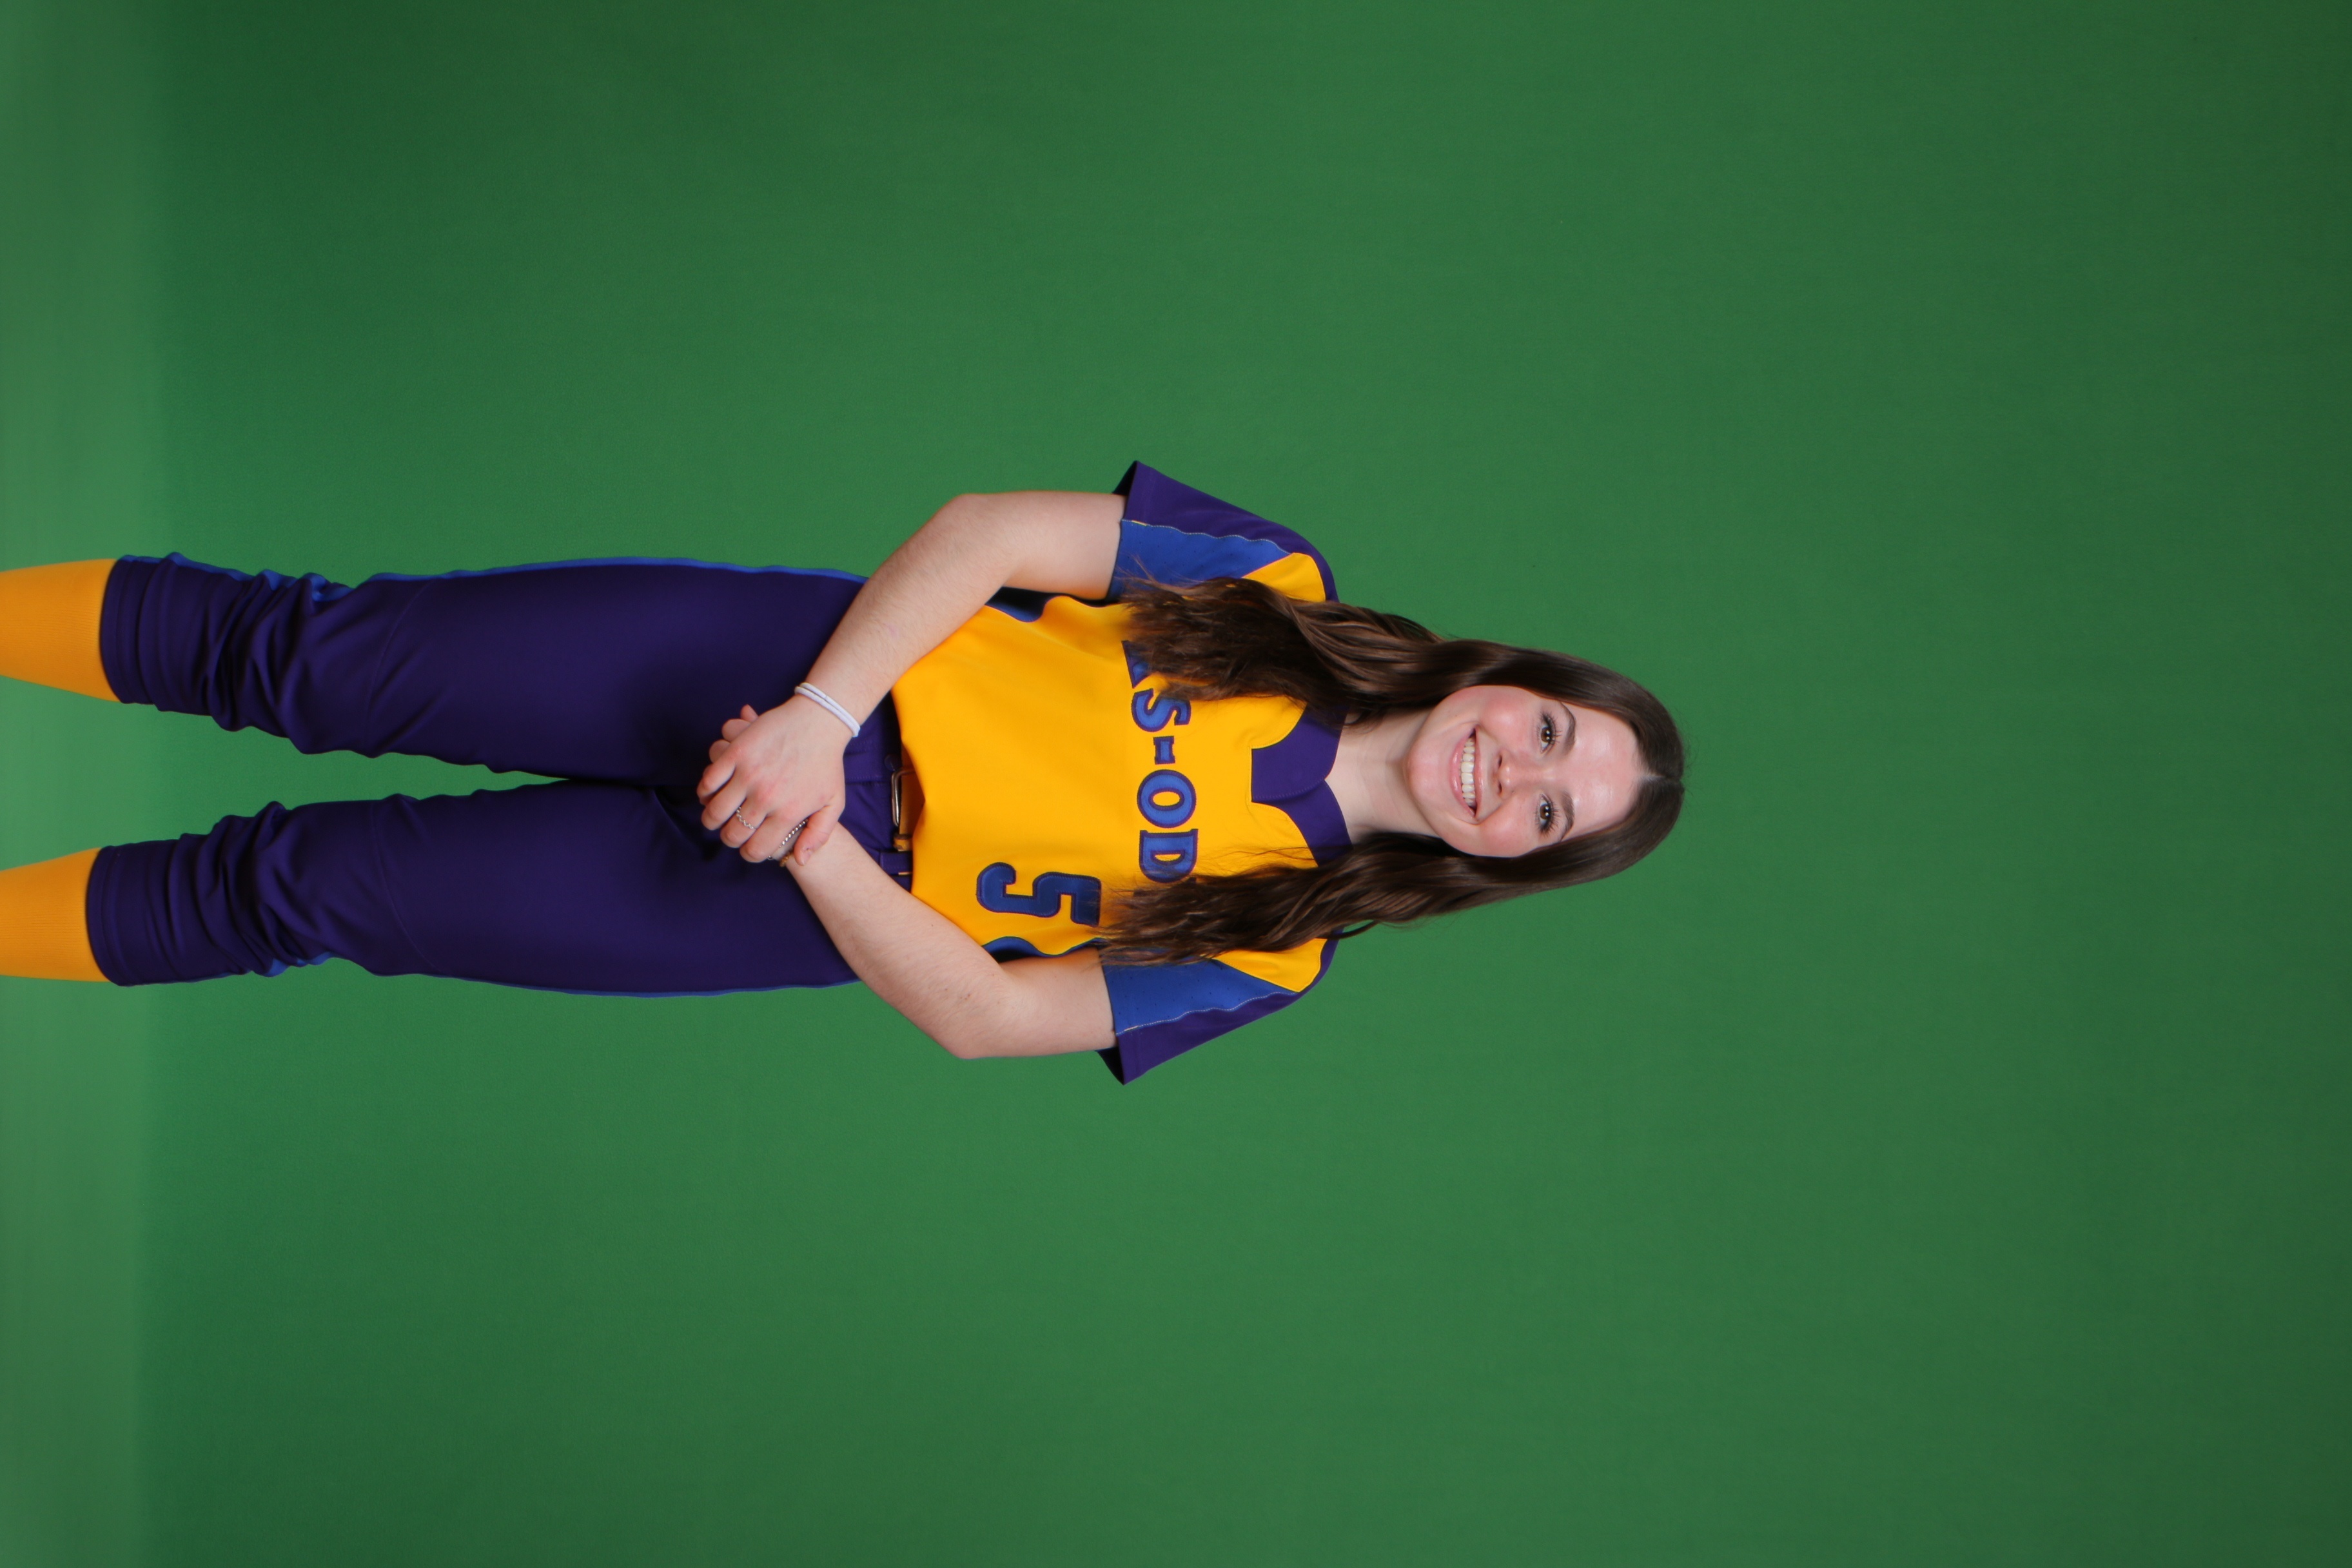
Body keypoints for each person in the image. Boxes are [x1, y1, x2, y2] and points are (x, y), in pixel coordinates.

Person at [0, 465, 1683, 1081]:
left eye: (1551, 816)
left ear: (1515, 864)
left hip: (773, 895)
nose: (1513, 773)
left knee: (291, 891)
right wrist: (816, 719)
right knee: (301, 657)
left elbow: (990, 1018)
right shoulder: (1276, 586)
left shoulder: (1275, 950)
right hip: (780, 674)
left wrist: (812, 846)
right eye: (1550, 729)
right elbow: (991, 532)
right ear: (1515, 677)